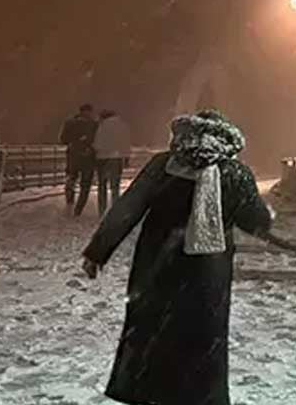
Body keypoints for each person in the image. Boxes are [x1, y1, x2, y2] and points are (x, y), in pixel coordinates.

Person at [80, 109, 273, 405]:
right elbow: (255, 220)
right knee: (201, 337)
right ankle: (199, 397)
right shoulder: (234, 172)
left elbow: (128, 207)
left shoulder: (163, 165)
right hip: (206, 270)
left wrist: (98, 251)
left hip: (158, 262)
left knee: (151, 330)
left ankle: (146, 392)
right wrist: (261, 217)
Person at [60, 104, 99, 217]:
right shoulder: (94, 125)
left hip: (73, 156)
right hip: (88, 158)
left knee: (71, 179)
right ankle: (78, 209)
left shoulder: (70, 123)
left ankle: (70, 203)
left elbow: (63, 139)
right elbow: (98, 141)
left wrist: (74, 142)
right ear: (90, 112)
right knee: (85, 185)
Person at [92, 109, 133, 216]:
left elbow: (97, 143)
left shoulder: (102, 126)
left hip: (102, 158)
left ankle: (102, 210)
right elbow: (126, 142)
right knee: (115, 186)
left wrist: (97, 153)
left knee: (102, 185)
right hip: (117, 158)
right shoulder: (123, 125)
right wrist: (126, 157)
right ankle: (115, 209)